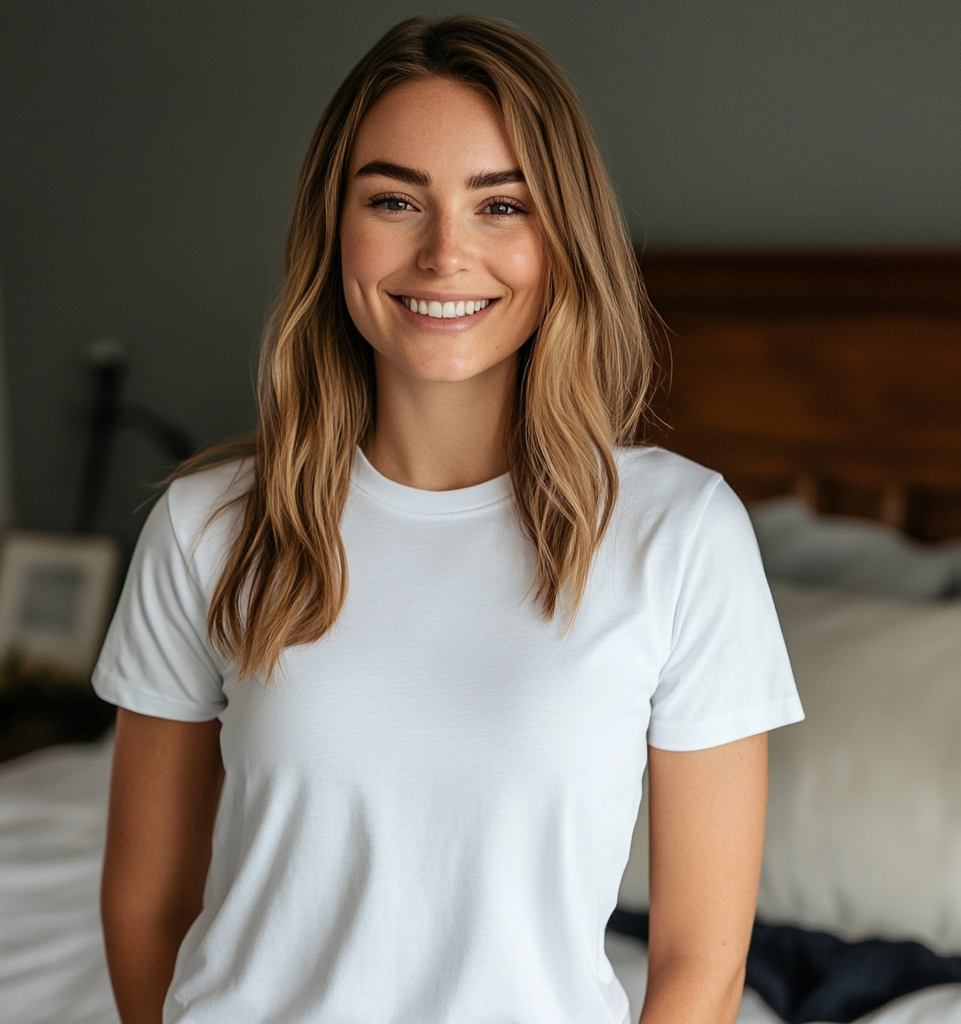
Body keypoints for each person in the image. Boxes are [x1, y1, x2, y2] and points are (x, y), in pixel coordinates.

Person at [95, 15, 803, 1024]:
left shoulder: (679, 532)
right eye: (394, 200)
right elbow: (147, 901)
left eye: (499, 205)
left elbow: (698, 961)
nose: (442, 254)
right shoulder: (208, 523)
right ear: (332, 227)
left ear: (559, 236)